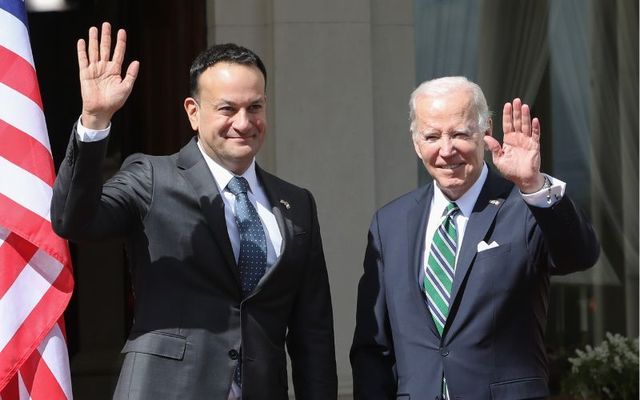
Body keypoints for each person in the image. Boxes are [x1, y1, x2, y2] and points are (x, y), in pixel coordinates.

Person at [51, 22, 337, 400]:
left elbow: (312, 333)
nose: (243, 123)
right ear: (193, 112)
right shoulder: (151, 177)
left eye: (255, 107)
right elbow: (73, 220)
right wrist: (95, 122)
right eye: (227, 109)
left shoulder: (297, 203)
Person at [350, 76, 599, 399]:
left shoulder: (525, 206)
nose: (446, 150)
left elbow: (580, 255)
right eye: (432, 136)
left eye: (459, 134)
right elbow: (373, 347)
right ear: (416, 143)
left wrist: (534, 185)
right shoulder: (390, 223)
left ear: (485, 132)